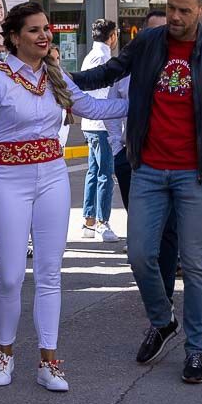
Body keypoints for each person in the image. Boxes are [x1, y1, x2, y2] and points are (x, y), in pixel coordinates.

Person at [72, 0, 202, 386]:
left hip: (195, 172)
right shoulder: (149, 43)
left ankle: (196, 349)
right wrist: (62, 80)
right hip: (149, 169)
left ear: (201, 11)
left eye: (183, 10)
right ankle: (162, 319)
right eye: (171, 7)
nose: (174, 16)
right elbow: (108, 73)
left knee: (193, 262)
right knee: (139, 254)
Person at [0, 2, 127, 393]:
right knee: (11, 275)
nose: (44, 35)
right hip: (6, 179)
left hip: (51, 177)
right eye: (34, 30)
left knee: (50, 273)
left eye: (46, 28)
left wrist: (146, 104)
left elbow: (95, 106)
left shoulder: (56, 76)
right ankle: (4, 352)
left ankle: (49, 360)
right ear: (15, 38)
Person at [110, 11, 179, 299]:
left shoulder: (183, 68)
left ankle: (164, 296)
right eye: (152, 32)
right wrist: (117, 148)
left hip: (174, 159)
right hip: (134, 157)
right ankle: (151, 281)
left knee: (169, 228)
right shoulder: (129, 69)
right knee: (141, 232)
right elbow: (111, 107)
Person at [80, 18, 119, 242]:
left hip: (90, 123)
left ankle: (89, 221)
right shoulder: (104, 58)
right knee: (105, 173)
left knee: (93, 172)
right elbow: (104, 94)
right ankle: (103, 223)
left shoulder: (90, 56)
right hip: (102, 123)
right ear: (111, 36)